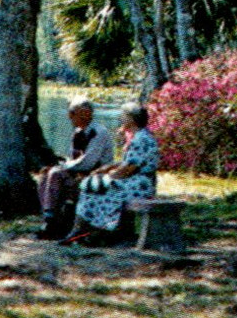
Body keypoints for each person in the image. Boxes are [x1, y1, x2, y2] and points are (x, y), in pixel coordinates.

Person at [66, 103, 159, 245]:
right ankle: (83, 231)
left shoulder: (141, 139)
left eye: (124, 117)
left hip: (140, 184)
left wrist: (108, 177)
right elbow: (127, 162)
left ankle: (94, 232)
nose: (121, 120)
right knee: (92, 189)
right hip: (134, 180)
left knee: (99, 188)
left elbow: (129, 168)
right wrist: (106, 169)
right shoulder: (138, 136)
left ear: (132, 119)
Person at [34, 95, 113, 240]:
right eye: (70, 113)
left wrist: (64, 167)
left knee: (56, 174)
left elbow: (88, 162)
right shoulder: (77, 133)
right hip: (79, 172)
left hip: (95, 174)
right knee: (46, 174)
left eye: (73, 113)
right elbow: (73, 159)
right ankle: (49, 218)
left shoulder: (98, 133)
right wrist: (63, 165)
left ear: (86, 114)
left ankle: (51, 223)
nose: (70, 117)